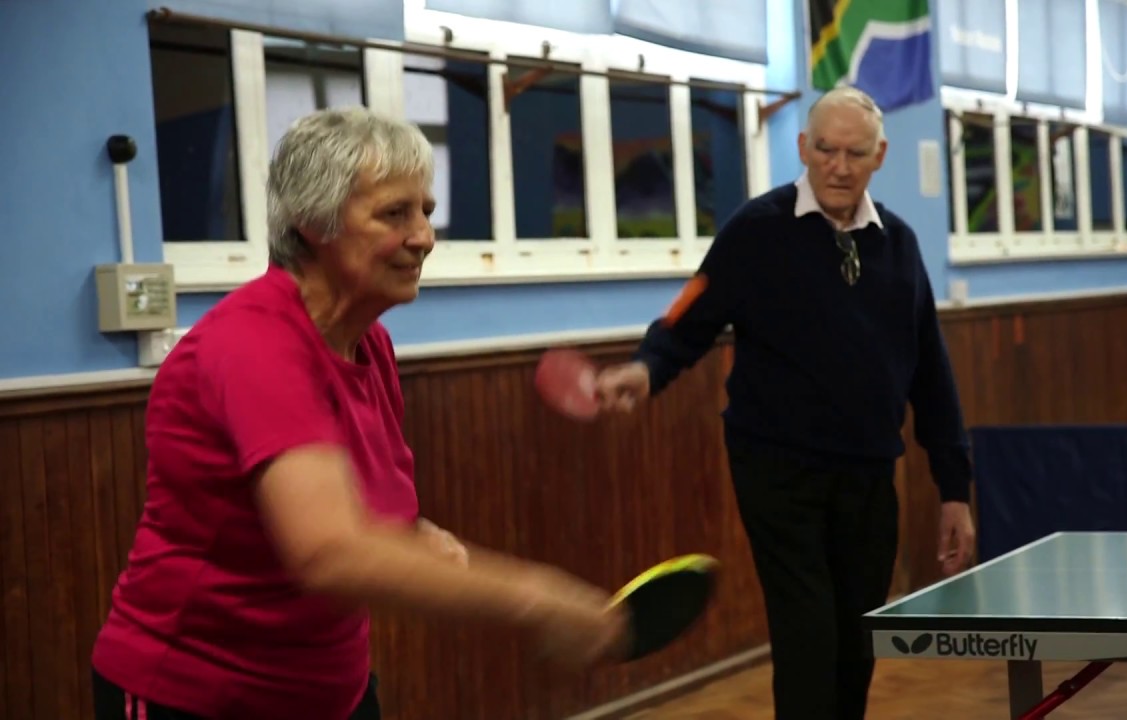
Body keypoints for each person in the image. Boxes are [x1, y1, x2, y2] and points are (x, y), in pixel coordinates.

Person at [90, 107, 626, 720]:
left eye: (425, 211)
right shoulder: (253, 345)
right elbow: (329, 552)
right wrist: (534, 597)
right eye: (394, 214)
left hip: (330, 691)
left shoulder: (367, 343)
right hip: (197, 695)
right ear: (313, 222)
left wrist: (418, 537)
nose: (424, 236)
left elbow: (353, 506)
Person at [594, 87, 976, 719]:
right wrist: (645, 369)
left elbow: (931, 373)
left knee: (857, 643)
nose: (839, 165)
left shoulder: (901, 247)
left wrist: (954, 486)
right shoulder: (757, 230)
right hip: (776, 469)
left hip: (869, 472)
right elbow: (688, 317)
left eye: (855, 153)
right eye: (826, 150)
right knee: (808, 637)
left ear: (879, 156)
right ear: (804, 148)